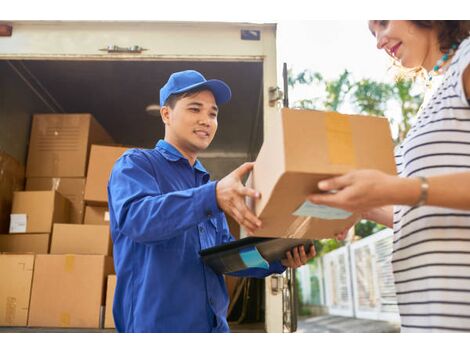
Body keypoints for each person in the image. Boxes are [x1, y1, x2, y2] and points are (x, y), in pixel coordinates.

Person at [107, 70, 316, 332]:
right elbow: (138, 219)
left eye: (213, 113)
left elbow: (225, 258)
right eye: (195, 109)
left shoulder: (206, 187)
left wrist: (277, 258)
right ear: (166, 114)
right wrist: (212, 196)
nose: (206, 120)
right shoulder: (137, 165)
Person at [308, 21, 470, 332]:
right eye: (372, 33)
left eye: (383, 22)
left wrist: (398, 187)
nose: (379, 43)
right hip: (429, 320)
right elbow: (426, 211)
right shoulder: (433, 98)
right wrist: (363, 205)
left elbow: (414, 192)